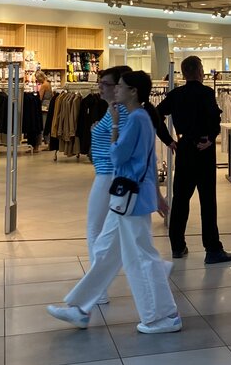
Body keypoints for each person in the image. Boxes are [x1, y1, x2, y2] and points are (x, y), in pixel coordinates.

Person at [47, 70, 180, 334]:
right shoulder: (139, 116)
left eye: (119, 86)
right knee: (107, 250)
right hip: (128, 195)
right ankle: (81, 308)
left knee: (139, 255)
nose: (115, 89)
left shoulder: (135, 118)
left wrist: (115, 126)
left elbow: (118, 155)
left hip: (130, 195)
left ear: (133, 91)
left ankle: (164, 315)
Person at [156, 55, 231, 264]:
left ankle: (177, 245)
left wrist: (168, 140)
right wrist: (211, 137)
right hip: (203, 149)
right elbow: (214, 118)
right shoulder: (206, 93)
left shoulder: (175, 94)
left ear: (183, 73)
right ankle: (212, 248)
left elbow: (156, 115)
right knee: (207, 200)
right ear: (200, 71)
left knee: (180, 199)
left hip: (184, 148)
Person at [82, 65, 133, 305]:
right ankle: (98, 286)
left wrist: (108, 128)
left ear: (119, 86)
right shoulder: (112, 109)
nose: (100, 87)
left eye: (106, 84)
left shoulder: (120, 111)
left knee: (95, 230)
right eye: (100, 83)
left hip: (109, 175)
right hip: (107, 174)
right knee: (112, 233)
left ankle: (98, 289)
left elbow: (120, 146)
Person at [35, 70, 52, 148]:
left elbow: (40, 97)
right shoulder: (48, 84)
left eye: (37, 79)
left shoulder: (44, 85)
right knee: (48, 124)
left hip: (44, 107)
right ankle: (49, 143)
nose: (37, 80)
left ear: (40, 77)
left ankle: (47, 142)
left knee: (43, 125)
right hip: (49, 106)